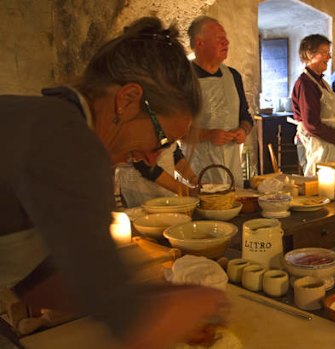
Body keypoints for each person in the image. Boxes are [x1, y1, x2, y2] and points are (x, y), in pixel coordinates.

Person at [0, 17, 228, 349]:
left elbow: (36, 281)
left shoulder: (49, 120)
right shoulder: (68, 138)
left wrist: (147, 295)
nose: (152, 159)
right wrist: (198, 303)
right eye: (161, 139)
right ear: (127, 99)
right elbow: (133, 322)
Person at [184, 16, 253, 187]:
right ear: (199, 43)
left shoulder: (233, 76)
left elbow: (245, 116)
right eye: (220, 39)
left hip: (232, 164)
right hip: (198, 165)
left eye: (226, 38)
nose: (226, 43)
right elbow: (174, 131)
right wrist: (208, 135)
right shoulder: (183, 77)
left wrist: (243, 130)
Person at [291, 34, 335, 176]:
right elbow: (312, 124)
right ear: (309, 54)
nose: (329, 57)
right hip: (317, 145)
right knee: (318, 186)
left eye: (329, 53)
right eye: (324, 53)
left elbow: (329, 118)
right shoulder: (306, 84)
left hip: (328, 143)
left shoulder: (322, 82)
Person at [116, 143, 199, 207]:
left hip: (168, 193)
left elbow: (175, 153)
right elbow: (146, 167)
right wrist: (188, 191)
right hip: (141, 191)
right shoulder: (141, 127)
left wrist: (194, 179)